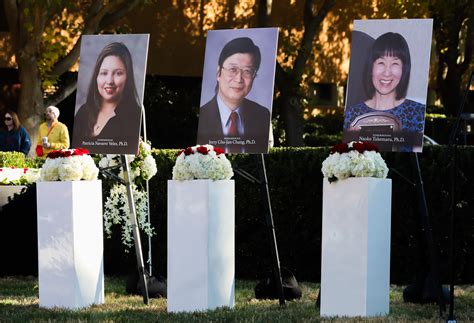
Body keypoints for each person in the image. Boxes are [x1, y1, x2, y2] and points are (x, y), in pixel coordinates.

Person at [343, 32, 425, 152]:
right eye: (381, 62)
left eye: (395, 63)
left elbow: (420, 164)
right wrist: (349, 145)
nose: (387, 72)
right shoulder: (352, 115)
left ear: (404, 69)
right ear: (371, 67)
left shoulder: (418, 114)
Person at [197, 37, 271, 153]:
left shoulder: (262, 116)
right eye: (233, 69)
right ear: (218, 73)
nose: (238, 79)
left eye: (247, 71)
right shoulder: (201, 115)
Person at [72, 42, 142, 153]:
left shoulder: (135, 117)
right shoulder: (83, 113)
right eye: (104, 73)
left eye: (118, 73)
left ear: (128, 77)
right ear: (97, 76)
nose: (109, 81)